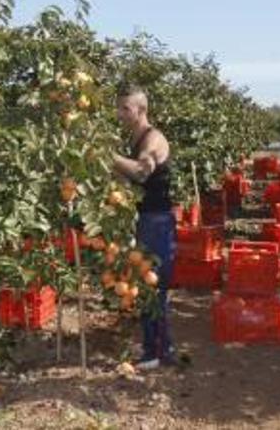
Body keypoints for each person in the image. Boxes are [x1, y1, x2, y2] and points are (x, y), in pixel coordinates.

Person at [111, 85, 175, 370]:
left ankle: (156, 353)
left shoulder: (154, 140)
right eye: (119, 107)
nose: (120, 113)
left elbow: (141, 171)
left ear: (141, 110)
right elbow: (130, 180)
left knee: (153, 286)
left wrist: (107, 156)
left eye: (125, 108)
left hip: (157, 222)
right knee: (145, 283)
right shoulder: (134, 138)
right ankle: (159, 348)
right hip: (144, 219)